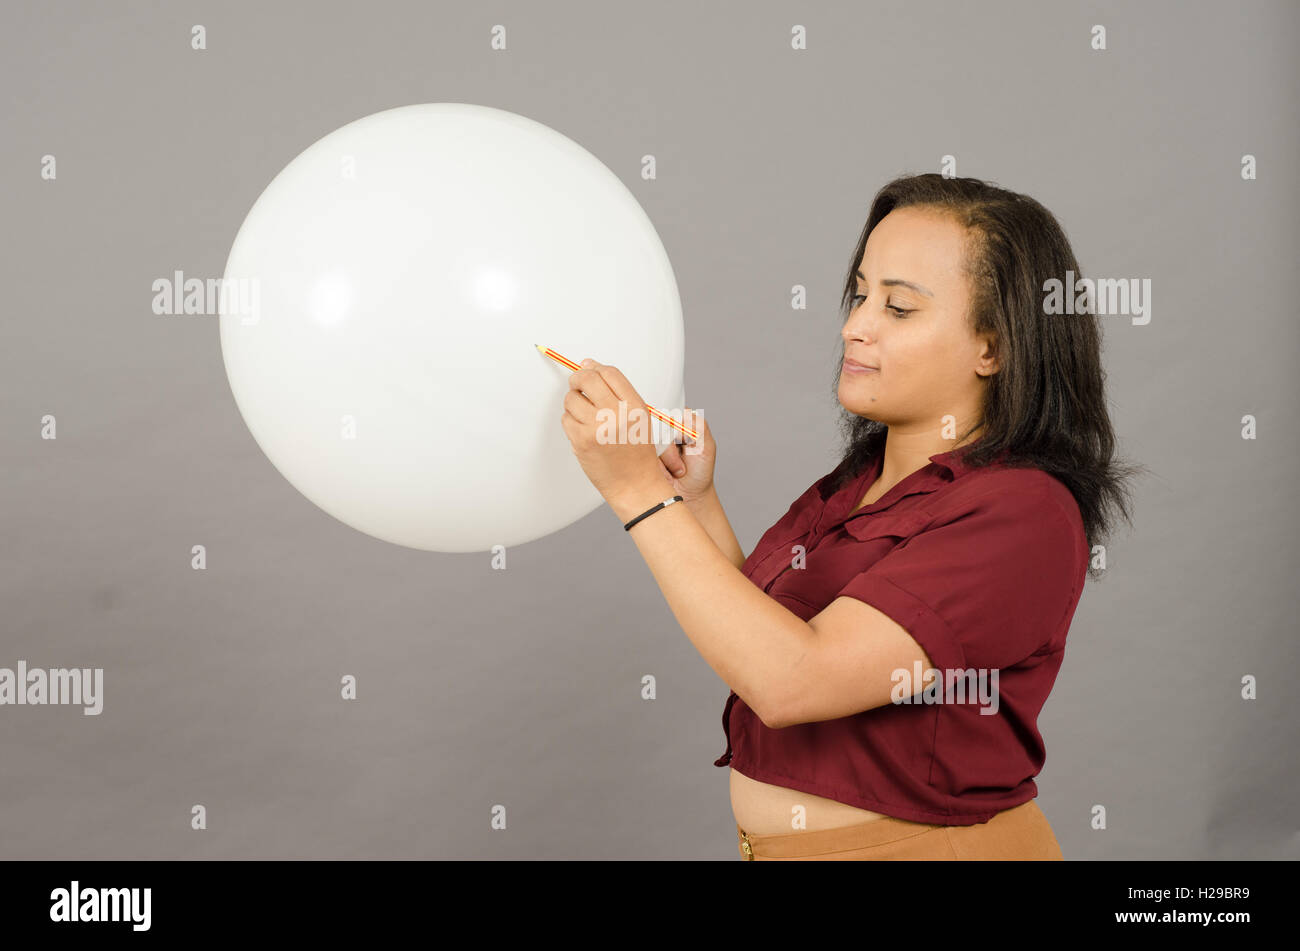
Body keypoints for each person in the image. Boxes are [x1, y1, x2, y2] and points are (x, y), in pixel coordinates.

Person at [559, 172, 1140, 860]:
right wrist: (692, 503)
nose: (854, 325)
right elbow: (756, 646)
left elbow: (792, 679)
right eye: (861, 294)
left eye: (898, 308)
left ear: (995, 346)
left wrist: (636, 494)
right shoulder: (859, 481)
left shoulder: (1022, 512)